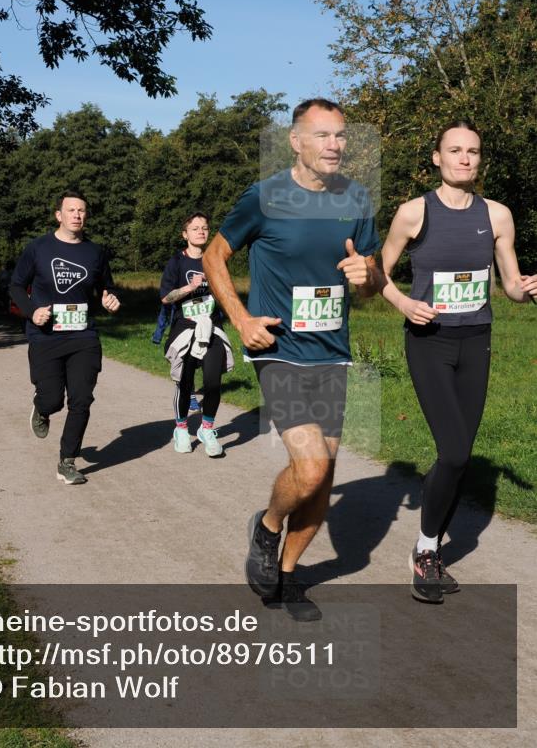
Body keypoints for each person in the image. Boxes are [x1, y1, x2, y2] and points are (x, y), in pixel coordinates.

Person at [203, 98, 379, 620]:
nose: (334, 145)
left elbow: (368, 279)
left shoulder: (356, 198)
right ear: (296, 141)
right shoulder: (265, 197)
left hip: (333, 353)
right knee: (311, 468)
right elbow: (215, 256)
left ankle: (287, 576)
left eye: (341, 135)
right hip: (278, 349)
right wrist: (241, 320)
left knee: (321, 481)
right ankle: (268, 525)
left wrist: (367, 280)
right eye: (322, 135)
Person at [380, 121, 537, 604]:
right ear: (437, 158)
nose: (465, 159)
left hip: (477, 340)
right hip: (429, 341)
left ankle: (430, 541)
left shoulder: (498, 215)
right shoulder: (413, 213)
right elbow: (376, 273)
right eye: (455, 150)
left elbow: (508, 284)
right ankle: (427, 549)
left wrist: (524, 289)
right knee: (453, 453)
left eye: (473, 151)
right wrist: (405, 304)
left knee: (461, 456)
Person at [10, 192, 121, 485]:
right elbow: (17, 286)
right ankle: (42, 407)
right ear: (58, 215)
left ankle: (67, 461)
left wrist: (111, 298)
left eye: (82, 210)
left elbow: (107, 287)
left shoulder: (95, 253)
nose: (77, 215)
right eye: (71, 210)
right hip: (45, 336)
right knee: (52, 399)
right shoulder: (38, 248)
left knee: (82, 399)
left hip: (83, 335)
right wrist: (32, 312)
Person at [160, 212, 234, 456]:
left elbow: (225, 293)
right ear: (185, 234)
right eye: (195, 228)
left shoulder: (214, 261)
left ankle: (207, 429)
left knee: (213, 382)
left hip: (211, 328)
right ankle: (181, 429)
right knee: (185, 381)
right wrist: (189, 288)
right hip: (186, 328)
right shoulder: (177, 263)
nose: (201, 232)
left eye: (204, 228)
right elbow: (166, 297)